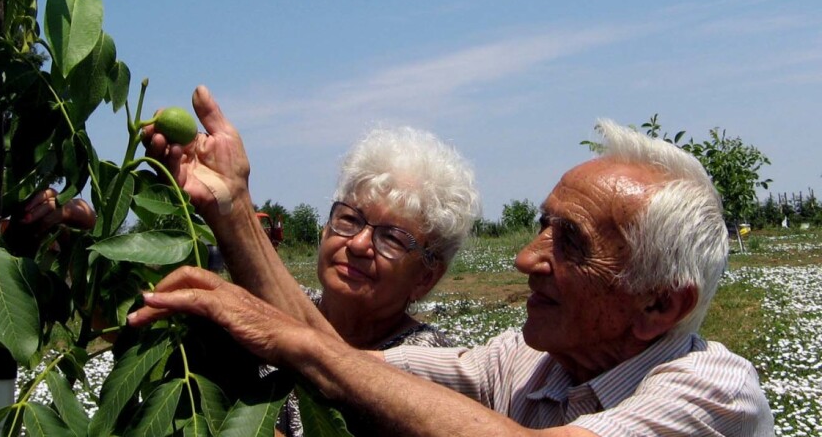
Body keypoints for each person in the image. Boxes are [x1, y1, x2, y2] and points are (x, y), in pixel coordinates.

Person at [131, 90, 773, 435]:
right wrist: (234, 207)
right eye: (540, 227)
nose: (525, 258)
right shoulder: (522, 365)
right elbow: (342, 359)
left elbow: (319, 355)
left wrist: (290, 341)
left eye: (569, 242)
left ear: (660, 304)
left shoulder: (715, 394)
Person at [142, 86, 481, 435]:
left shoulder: (431, 365)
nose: (360, 243)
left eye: (392, 238)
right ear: (324, 230)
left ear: (426, 277)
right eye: (349, 219)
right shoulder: (269, 312)